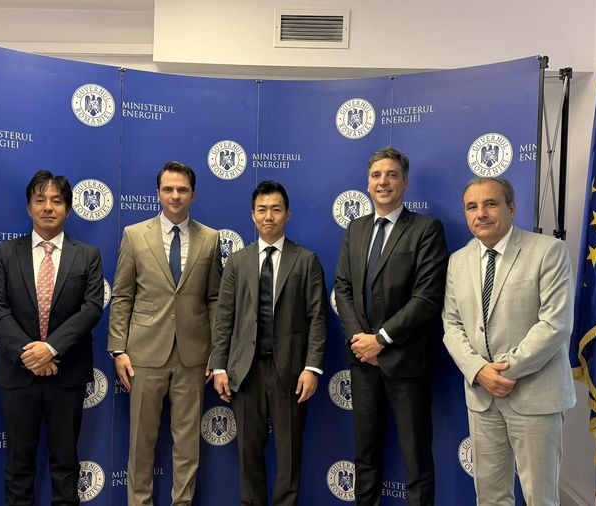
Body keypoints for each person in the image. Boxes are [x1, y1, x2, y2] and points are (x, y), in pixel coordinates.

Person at [442, 177, 575, 506]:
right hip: (482, 397)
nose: (481, 213)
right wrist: (479, 371)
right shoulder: (458, 260)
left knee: (540, 498)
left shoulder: (548, 251)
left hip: (535, 395)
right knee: (490, 496)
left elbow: (555, 324)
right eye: (472, 207)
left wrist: (503, 372)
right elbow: (452, 324)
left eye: (491, 204)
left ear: (511, 208)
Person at [333, 147, 448, 505]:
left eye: (391, 175)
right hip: (362, 363)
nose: (383, 181)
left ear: (405, 182)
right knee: (365, 456)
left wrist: (380, 340)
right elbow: (343, 287)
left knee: (416, 461)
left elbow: (426, 297)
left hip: (407, 362)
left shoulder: (426, 230)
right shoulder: (356, 228)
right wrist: (360, 341)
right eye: (376, 175)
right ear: (368, 183)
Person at [0, 169, 104, 505]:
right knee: (18, 463)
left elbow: (91, 308)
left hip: (67, 374)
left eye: (56, 200)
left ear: (68, 209)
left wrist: (51, 349)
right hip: (17, 374)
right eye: (40, 200)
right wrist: (32, 354)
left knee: (65, 463)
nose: (48, 207)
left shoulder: (87, 255)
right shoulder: (5, 253)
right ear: (29, 208)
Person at [107, 161, 222, 506]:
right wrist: (118, 349)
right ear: (157, 193)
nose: (175, 195)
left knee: (187, 445)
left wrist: (216, 353)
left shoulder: (210, 238)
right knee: (141, 443)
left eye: (182, 189)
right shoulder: (134, 235)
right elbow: (122, 295)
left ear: (193, 195)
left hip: (193, 356)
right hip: (143, 355)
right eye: (168, 189)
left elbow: (215, 298)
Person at [210, 180, 327, 506]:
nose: (269, 216)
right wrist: (219, 367)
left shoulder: (306, 260)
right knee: (248, 455)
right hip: (244, 372)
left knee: (289, 456)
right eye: (262, 210)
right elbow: (224, 318)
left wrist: (312, 367)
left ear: (287, 214)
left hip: (290, 371)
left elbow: (318, 318)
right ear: (252, 215)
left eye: (276, 209)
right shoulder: (237, 262)